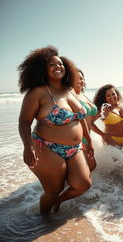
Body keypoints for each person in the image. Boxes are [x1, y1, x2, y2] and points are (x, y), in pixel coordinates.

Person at [18, 46, 93, 214]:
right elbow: (24, 121)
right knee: (53, 189)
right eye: (52, 64)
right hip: (46, 146)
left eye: (60, 63)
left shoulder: (70, 90)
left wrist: (88, 141)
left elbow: (80, 120)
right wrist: (27, 146)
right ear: (43, 69)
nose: (58, 66)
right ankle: (43, 219)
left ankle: (57, 202)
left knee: (83, 184)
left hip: (75, 148)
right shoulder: (37, 93)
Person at [71, 68, 97, 171]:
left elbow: (89, 119)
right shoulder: (70, 95)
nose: (82, 81)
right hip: (79, 139)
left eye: (83, 79)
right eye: (79, 79)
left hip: (87, 137)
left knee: (91, 168)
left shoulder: (82, 94)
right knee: (87, 169)